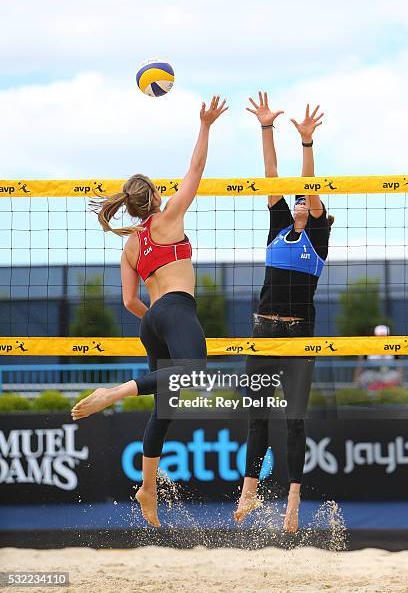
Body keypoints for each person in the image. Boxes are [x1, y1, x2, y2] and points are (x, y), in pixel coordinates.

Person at [71, 96, 228, 527]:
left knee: (166, 406)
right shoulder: (168, 219)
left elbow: (128, 302)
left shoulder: (130, 244)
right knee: (197, 371)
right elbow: (195, 171)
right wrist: (206, 125)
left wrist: (156, 319)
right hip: (175, 310)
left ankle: (146, 487)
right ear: (155, 197)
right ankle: (115, 393)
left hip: (152, 318)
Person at [234, 92, 333, 532]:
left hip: (299, 333)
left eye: (305, 201)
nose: (298, 202)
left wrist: (307, 144)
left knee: (294, 421)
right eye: (294, 200)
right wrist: (266, 127)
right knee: (257, 418)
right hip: (263, 329)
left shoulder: (319, 235)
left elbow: (308, 188)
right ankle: (250, 491)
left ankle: (293, 502)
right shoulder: (277, 227)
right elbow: (272, 174)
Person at [354, 324, 404, 390]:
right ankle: (370, 395)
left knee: (396, 376)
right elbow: (360, 363)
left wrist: (400, 378)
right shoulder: (368, 347)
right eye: (379, 336)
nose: (381, 338)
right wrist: (355, 378)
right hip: (373, 373)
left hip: (387, 374)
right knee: (363, 378)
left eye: (383, 336)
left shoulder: (394, 347)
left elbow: (399, 364)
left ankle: (388, 394)